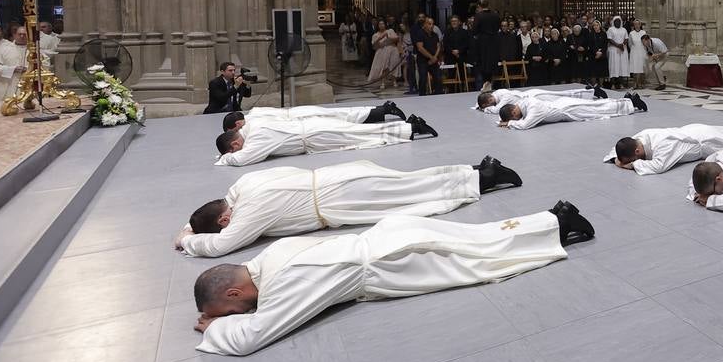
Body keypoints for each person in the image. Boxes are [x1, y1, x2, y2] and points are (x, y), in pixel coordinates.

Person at [191, 201, 596, 355]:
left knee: (482, 262)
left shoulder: (283, 284)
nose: (238, 312)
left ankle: (558, 225)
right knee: (478, 238)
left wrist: (216, 327)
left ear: (232, 289)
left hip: (394, 261)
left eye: (231, 307)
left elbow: (252, 337)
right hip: (388, 236)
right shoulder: (270, 256)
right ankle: (551, 218)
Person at [175, 156, 523, 257]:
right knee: (412, 183)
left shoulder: (248, 210)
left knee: (414, 195)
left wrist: (188, 239)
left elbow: (222, 245)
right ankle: (476, 170)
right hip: (338, 176)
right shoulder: (243, 185)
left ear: (225, 217)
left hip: (340, 199)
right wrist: (195, 224)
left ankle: (485, 176)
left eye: (225, 223)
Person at [214, 114, 438, 166]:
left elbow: (244, 159)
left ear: (235, 144)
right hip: (312, 131)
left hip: (315, 136)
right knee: (357, 133)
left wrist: (223, 159)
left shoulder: (256, 138)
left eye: (234, 149)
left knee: (360, 136)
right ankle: (407, 126)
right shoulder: (253, 125)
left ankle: (410, 127)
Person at [608, 120, 723, 175]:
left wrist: (629, 165)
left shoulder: (663, 144)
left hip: (704, 141)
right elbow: (621, 148)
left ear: (637, 151)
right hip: (693, 131)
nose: (635, 161)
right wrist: (615, 158)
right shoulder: (641, 137)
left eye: (634, 159)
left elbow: (659, 166)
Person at [498, 91, 647, 129]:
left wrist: (509, 124)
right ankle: (626, 100)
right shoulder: (524, 103)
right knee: (596, 107)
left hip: (568, 109)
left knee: (599, 110)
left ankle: (630, 102)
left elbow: (525, 125)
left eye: (514, 118)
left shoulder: (532, 108)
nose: (517, 119)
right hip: (564, 106)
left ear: (513, 113)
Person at [222, 102, 407, 131]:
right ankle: (382, 109)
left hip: (301, 118)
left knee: (344, 118)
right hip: (299, 113)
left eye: (236, 129)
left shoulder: (253, 121)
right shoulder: (255, 111)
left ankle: (384, 109)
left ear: (238, 123)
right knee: (343, 114)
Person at [477, 85, 607, 113]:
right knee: (563, 96)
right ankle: (589, 92)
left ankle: (591, 93)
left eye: (487, 105)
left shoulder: (504, 97)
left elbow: (496, 110)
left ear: (489, 101)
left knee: (564, 97)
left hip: (534, 97)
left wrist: (485, 110)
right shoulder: (498, 91)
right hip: (532, 95)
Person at [0, 23, 28, 104]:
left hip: (28, 86)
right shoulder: (5, 49)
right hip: (8, 85)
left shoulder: (34, 50)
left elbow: (44, 65)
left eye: (24, 34)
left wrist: (28, 69)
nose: (22, 36)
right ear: (14, 35)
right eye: (19, 34)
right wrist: (12, 69)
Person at [471, 0, 502, 92]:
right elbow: (497, 27)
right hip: (494, 41)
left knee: (483, 63)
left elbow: (474, 30)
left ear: (479, 6)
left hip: (483, 42)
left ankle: (486, 83)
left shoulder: (479, 16)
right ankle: (489, 83)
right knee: (491, 63)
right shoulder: (495, 15)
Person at [365, 20, 403, 89]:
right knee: (383, 67)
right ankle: (382, 82)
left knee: (393, 65)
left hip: (392, 50)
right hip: (382, 51)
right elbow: (374, 46)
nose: (381, 25)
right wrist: (380, 38)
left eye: (383, 24)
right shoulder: (375, 35)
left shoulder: (390, 31)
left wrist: (388, 36)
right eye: (380, 24)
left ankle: (394, 81)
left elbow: (397, 39)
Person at [414, 17, 442, 95]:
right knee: (423, 78)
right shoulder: (420, 33)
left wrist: (435, 57)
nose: (431, 26)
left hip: (433, 60)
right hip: (423, 60)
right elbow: (420, 48)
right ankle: (422, 95)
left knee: (438, 78)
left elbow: (438, 46)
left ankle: (438, 94)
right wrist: (431, 57)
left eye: (432, 24)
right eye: (429, 24)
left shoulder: (435, 35)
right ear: (425, 24)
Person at [442, 16, 471, 87]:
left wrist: (459, 51)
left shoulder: (464, 32)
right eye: (452, 21)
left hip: (461, 56)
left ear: (459, 22)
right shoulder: (447, 32)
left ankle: (463, 89)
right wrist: (452, 51)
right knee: (451, 74)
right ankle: (451, 91)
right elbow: (445, 44)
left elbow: (467, 44)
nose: (454, 22)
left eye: (455, 21)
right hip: (450, 56)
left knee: (462, 74)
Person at [606, 16, 630, 88]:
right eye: (616, 21)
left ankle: (621, 83)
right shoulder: (610, 29)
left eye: (619, 21)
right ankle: (613, 84)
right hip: (613, 50)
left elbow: (626, 38)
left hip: (623, 50)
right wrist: (618, 45)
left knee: (621, 67)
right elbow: (609, 39)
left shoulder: (624, 29)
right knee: (613, 66)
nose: (618, 22)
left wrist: (622, 44)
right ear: (613, 22)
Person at [627, 20, 648, 90]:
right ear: (633, 25)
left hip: (642, 51)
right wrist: (633, 50)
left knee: (641, 68)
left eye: (638, 24)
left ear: (640, 25)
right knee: (635, 68)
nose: (636, 26)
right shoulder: (631, 33)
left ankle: (641, 83)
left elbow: (646, 43)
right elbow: (629, 44)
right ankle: (635, 83)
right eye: (635, 24)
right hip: (634, 52)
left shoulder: (643, 32)